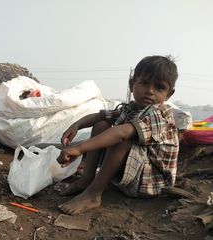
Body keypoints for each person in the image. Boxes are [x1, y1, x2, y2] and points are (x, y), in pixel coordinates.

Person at [57, 55, 179, 215]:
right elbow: (100, 117)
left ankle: (93, 195)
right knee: (102, 125)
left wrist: (79, 148)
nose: (150, 91)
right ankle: (87, 179)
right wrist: (77, 125)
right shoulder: (132, 108)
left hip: (152, 183)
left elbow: (121, 133)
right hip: (135, 173)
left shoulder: (158, 114)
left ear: (169, 94)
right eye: (144, 83)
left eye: (159, 87)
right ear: (131, 84)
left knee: (121, 139)